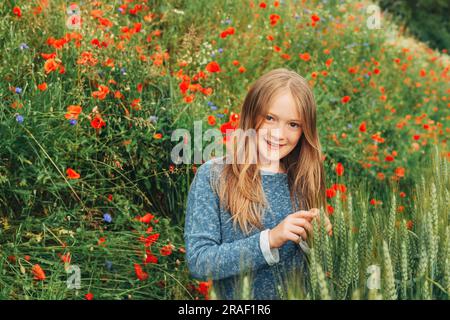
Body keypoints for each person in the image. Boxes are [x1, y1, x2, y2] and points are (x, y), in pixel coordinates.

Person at [184, 68, 332, 299]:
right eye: (270, 118)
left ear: (305, 131)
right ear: (251, 114)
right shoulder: (214, 176)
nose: (279, 134)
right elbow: (199, 262)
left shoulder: (305, 180)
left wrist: (316, 240)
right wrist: (270, 239)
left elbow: (318, 270)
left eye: (293, 124)